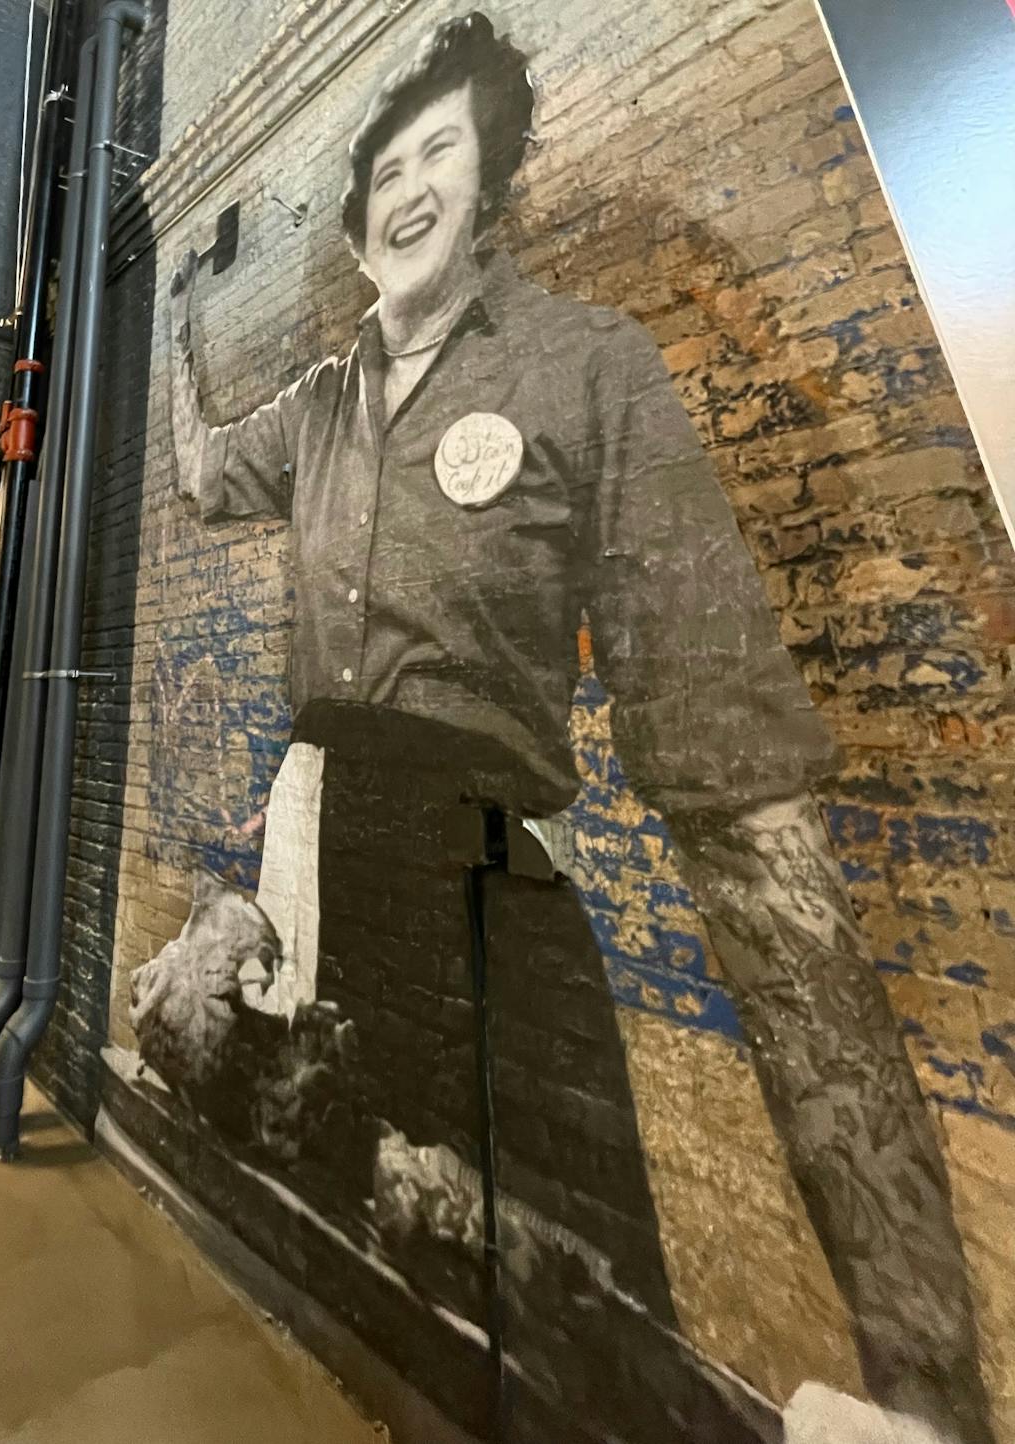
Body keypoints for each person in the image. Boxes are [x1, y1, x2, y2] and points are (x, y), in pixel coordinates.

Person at [167, 12, 991, 1441]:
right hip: (328, 885)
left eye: (445, 150)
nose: (410, 184)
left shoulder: (586, 367)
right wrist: (178, 332)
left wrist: (922, 1376)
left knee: (582, 1336)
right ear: (359, 217)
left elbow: (739, 805)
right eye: (386, 166)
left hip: (493, 897)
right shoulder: (313, 411)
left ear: (489, 187)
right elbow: (193, 475)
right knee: (380, 1293)